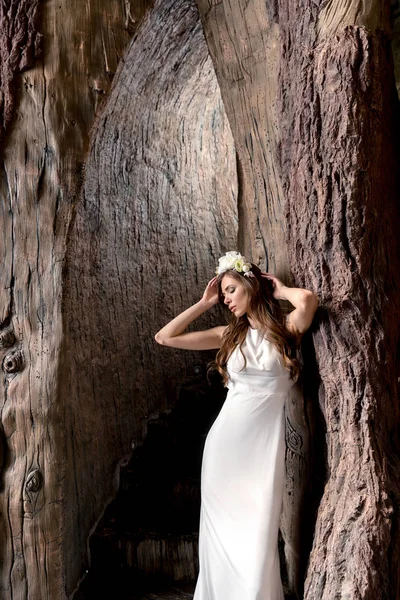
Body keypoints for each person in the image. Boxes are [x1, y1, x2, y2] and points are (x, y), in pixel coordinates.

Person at [155, 251, 318, 600]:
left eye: (230, 290)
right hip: (224, 449)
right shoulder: (228, 335)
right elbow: (165, 337)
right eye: (223, 293)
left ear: (250, 286)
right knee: (222, 540)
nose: (225, 299)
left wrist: (279, 290)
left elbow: (306, 300)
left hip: (262, 454)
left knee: (259, 536)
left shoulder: (286, 330)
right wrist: (203, 302)